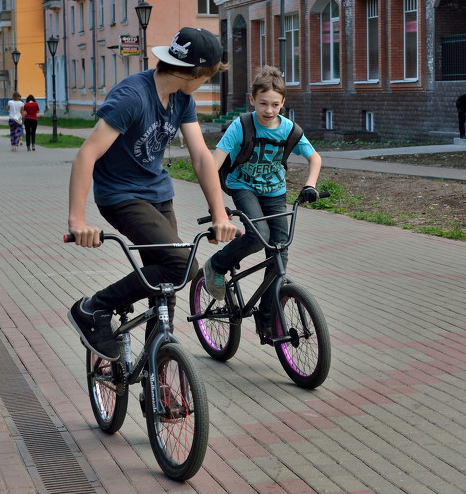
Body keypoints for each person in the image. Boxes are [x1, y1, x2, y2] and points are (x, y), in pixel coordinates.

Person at [67, 27, 238, 361]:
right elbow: (86, 154)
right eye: (207, 76)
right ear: (193, 73)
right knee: (182, 267)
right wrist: (77, 220)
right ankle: (92, 309)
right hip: (121, 196)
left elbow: (201, 156)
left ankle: (156, 378)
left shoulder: (181, 97)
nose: (207, 82)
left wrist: (219, 213)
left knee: (167, 288)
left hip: (159, 194)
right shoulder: (132, 96)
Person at [202, 65, 322, 335]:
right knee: (258, 236)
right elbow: (214, 163)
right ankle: (217, 265)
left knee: (279, 252)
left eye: (275, 104)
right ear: (252, 100)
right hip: (242, 186)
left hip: (275, 191)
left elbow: (315, 158)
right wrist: (216, 207)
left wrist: (310, 185)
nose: (269, 110)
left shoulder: (290, 130)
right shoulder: (241, 125)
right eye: (263, 103)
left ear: (283, 103)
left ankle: (267, 321)